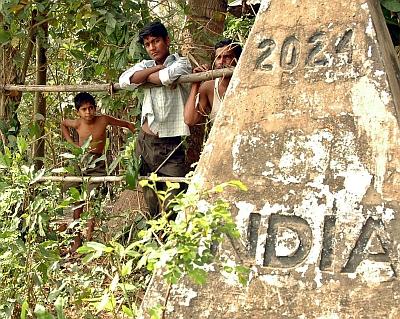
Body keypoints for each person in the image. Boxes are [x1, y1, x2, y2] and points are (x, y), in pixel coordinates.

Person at [118, 21, 191, 218]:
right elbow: (125, 81)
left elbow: (166, 77)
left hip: (171, 145)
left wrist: (144, 77)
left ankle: (171, 244)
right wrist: (151, 70)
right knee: (152, 204)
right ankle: (155, 242)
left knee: (173, 205)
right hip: (146, 143)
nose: (152, 47)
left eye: (156, 41)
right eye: (148, 44)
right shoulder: (146, 64)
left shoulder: (182, 63)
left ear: (167, 40)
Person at [61, 92, 135, 253]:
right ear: (78, 112)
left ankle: (89, 243)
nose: (88, 112)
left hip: (97, 164)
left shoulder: (104, 119)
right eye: (84, 109)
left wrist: (137, 138)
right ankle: (76, 241)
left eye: (90, 108)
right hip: (79, 162)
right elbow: (63, 124)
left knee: (92, 202)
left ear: (95, 108)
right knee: (77, 203)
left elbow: (127, 124)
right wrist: (71, 143)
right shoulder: (78, 123)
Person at [184, 39, 242, 126]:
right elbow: (189, 120)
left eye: (227, 57)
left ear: (238, 59)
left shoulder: (245, 85)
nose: (221, 62)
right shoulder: (209, 87)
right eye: (218, 57)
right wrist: (196, 83)